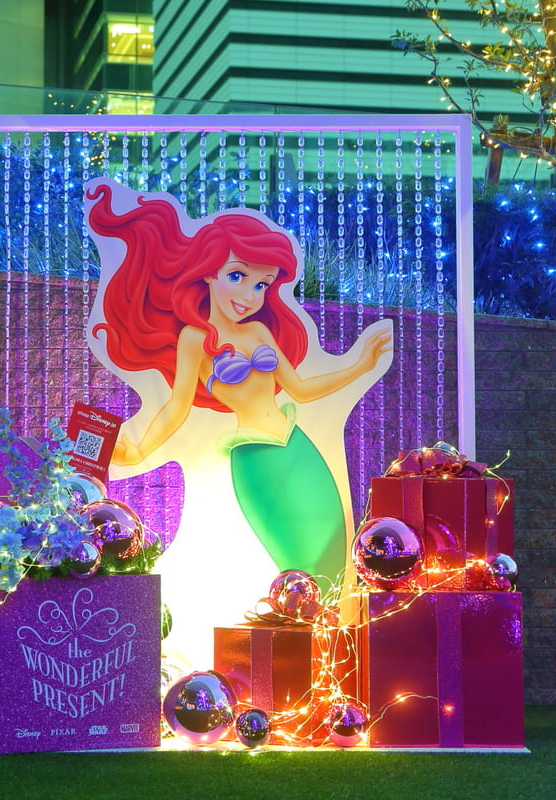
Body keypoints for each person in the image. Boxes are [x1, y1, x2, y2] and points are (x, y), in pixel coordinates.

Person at [83, 178, 392, 664]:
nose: (250, 293)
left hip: (298, 447)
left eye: (262, 284)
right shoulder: (194, 339)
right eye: (238, 276)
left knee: (332, 557)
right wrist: (138, 450)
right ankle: (294, 665)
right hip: (256, 459)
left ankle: (329, 664)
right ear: (208, 273)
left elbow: (301, 389)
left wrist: (360, 364)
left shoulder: (260, 332)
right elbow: (176, 407)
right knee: (295, 562)